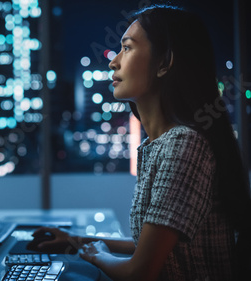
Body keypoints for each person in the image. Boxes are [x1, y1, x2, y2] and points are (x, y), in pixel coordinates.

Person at [32, 5, 251, 281]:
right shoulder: (157, 144)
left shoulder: (184, 144)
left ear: (164, 63)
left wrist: (96, 254)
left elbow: (140, 271)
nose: (114, 61)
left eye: (128, 48)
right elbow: (152, 248)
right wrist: (76, 241)